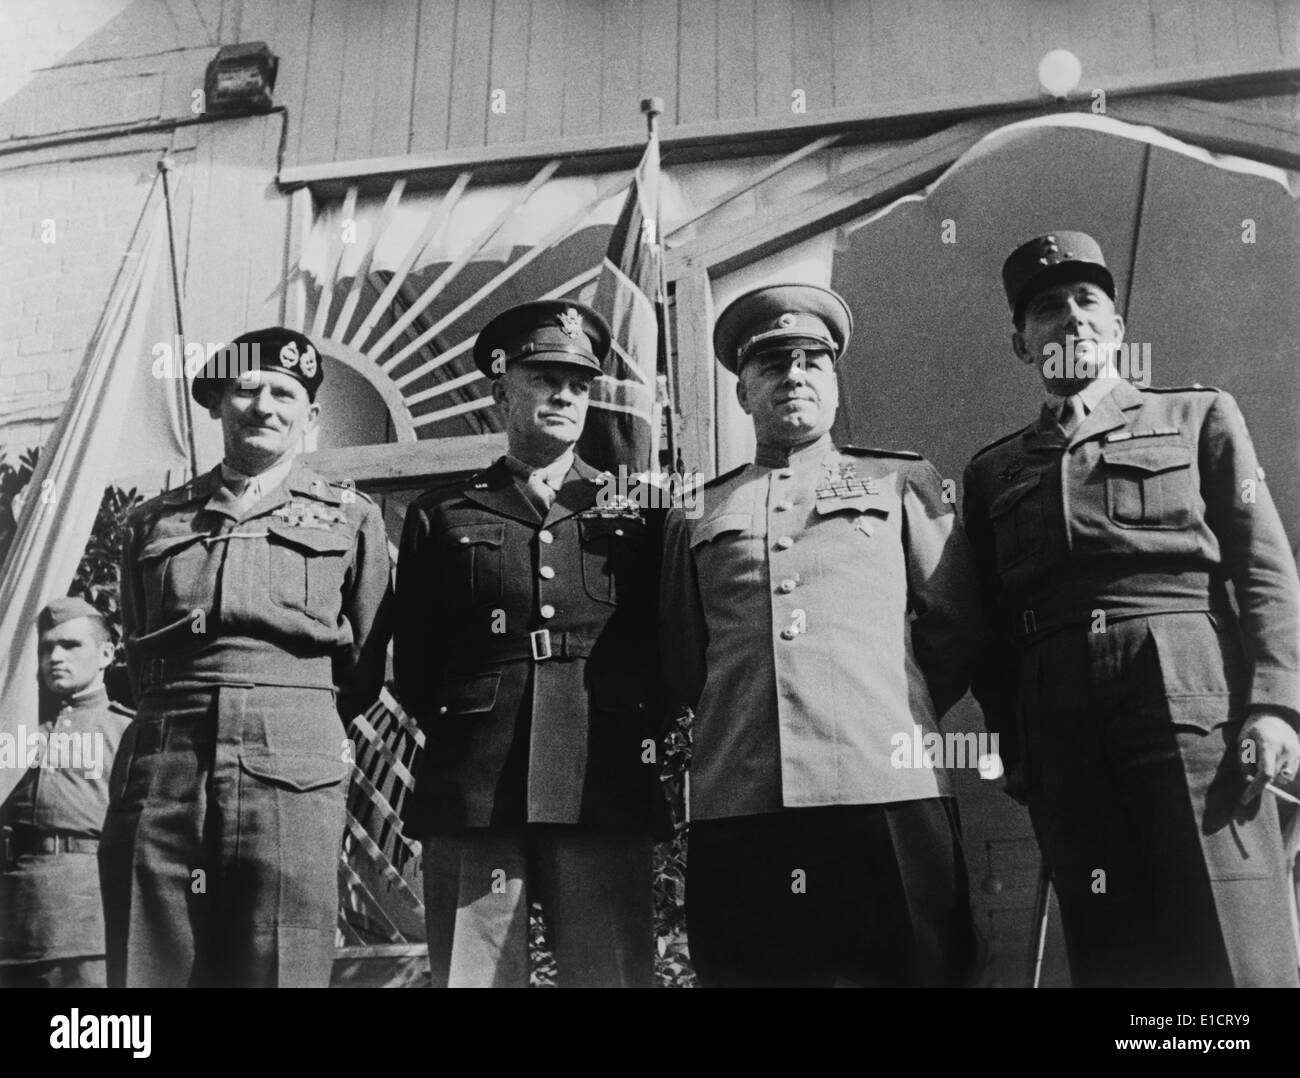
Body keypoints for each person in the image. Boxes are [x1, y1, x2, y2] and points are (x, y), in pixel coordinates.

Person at [962, 231, 1300, 986]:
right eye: (1048, 309)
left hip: (1189, 699)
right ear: (1022, 344)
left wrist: (1276, 706)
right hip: (1063, 729)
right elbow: (987, 638)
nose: (1072, 318)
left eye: (1088, 302)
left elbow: (1265, 567)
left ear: (1116, 329)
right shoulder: (992, 472)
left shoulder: (1197, 417)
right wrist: (1017, 748)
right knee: (1116, 952)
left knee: (1231, 940)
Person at [660, 283, 984, 987]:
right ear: (743, 392)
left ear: (834, 380)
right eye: (773, 364)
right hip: (744, 802)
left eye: (813, 360)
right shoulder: (697, 513)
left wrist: (866, 707)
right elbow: (688, 657)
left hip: (885, 787)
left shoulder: (902, 482)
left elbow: (952, 632)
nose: (795, 375)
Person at [102, 327, 392, 987]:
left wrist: (286, 710)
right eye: (246, 389)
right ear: (217, 406)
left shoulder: (350, 518)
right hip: (165, 755)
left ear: (310, 416)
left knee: (278, 957)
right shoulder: (154, 522)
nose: (264, 405)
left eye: (284, 393)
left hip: (294, 758)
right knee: (152, 954)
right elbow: (139, 644)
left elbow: (367, 666)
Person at [394, 300, 667, 988]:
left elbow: (665, 649)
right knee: (474, 975)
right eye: (544, 378)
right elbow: (418, 667)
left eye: (578, 385)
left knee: (611, 973)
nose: (564, 396)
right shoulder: (443, 513)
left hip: (601, 775)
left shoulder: (636, 512)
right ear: (500, 389)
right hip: (476, 780)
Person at [0, 598, 131, 988]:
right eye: (45, 648)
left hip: (87, 926)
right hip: (12, 919)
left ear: (106, 654)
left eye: (71, 645)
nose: (55, 656)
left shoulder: (127, 732)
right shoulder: (19, 730)